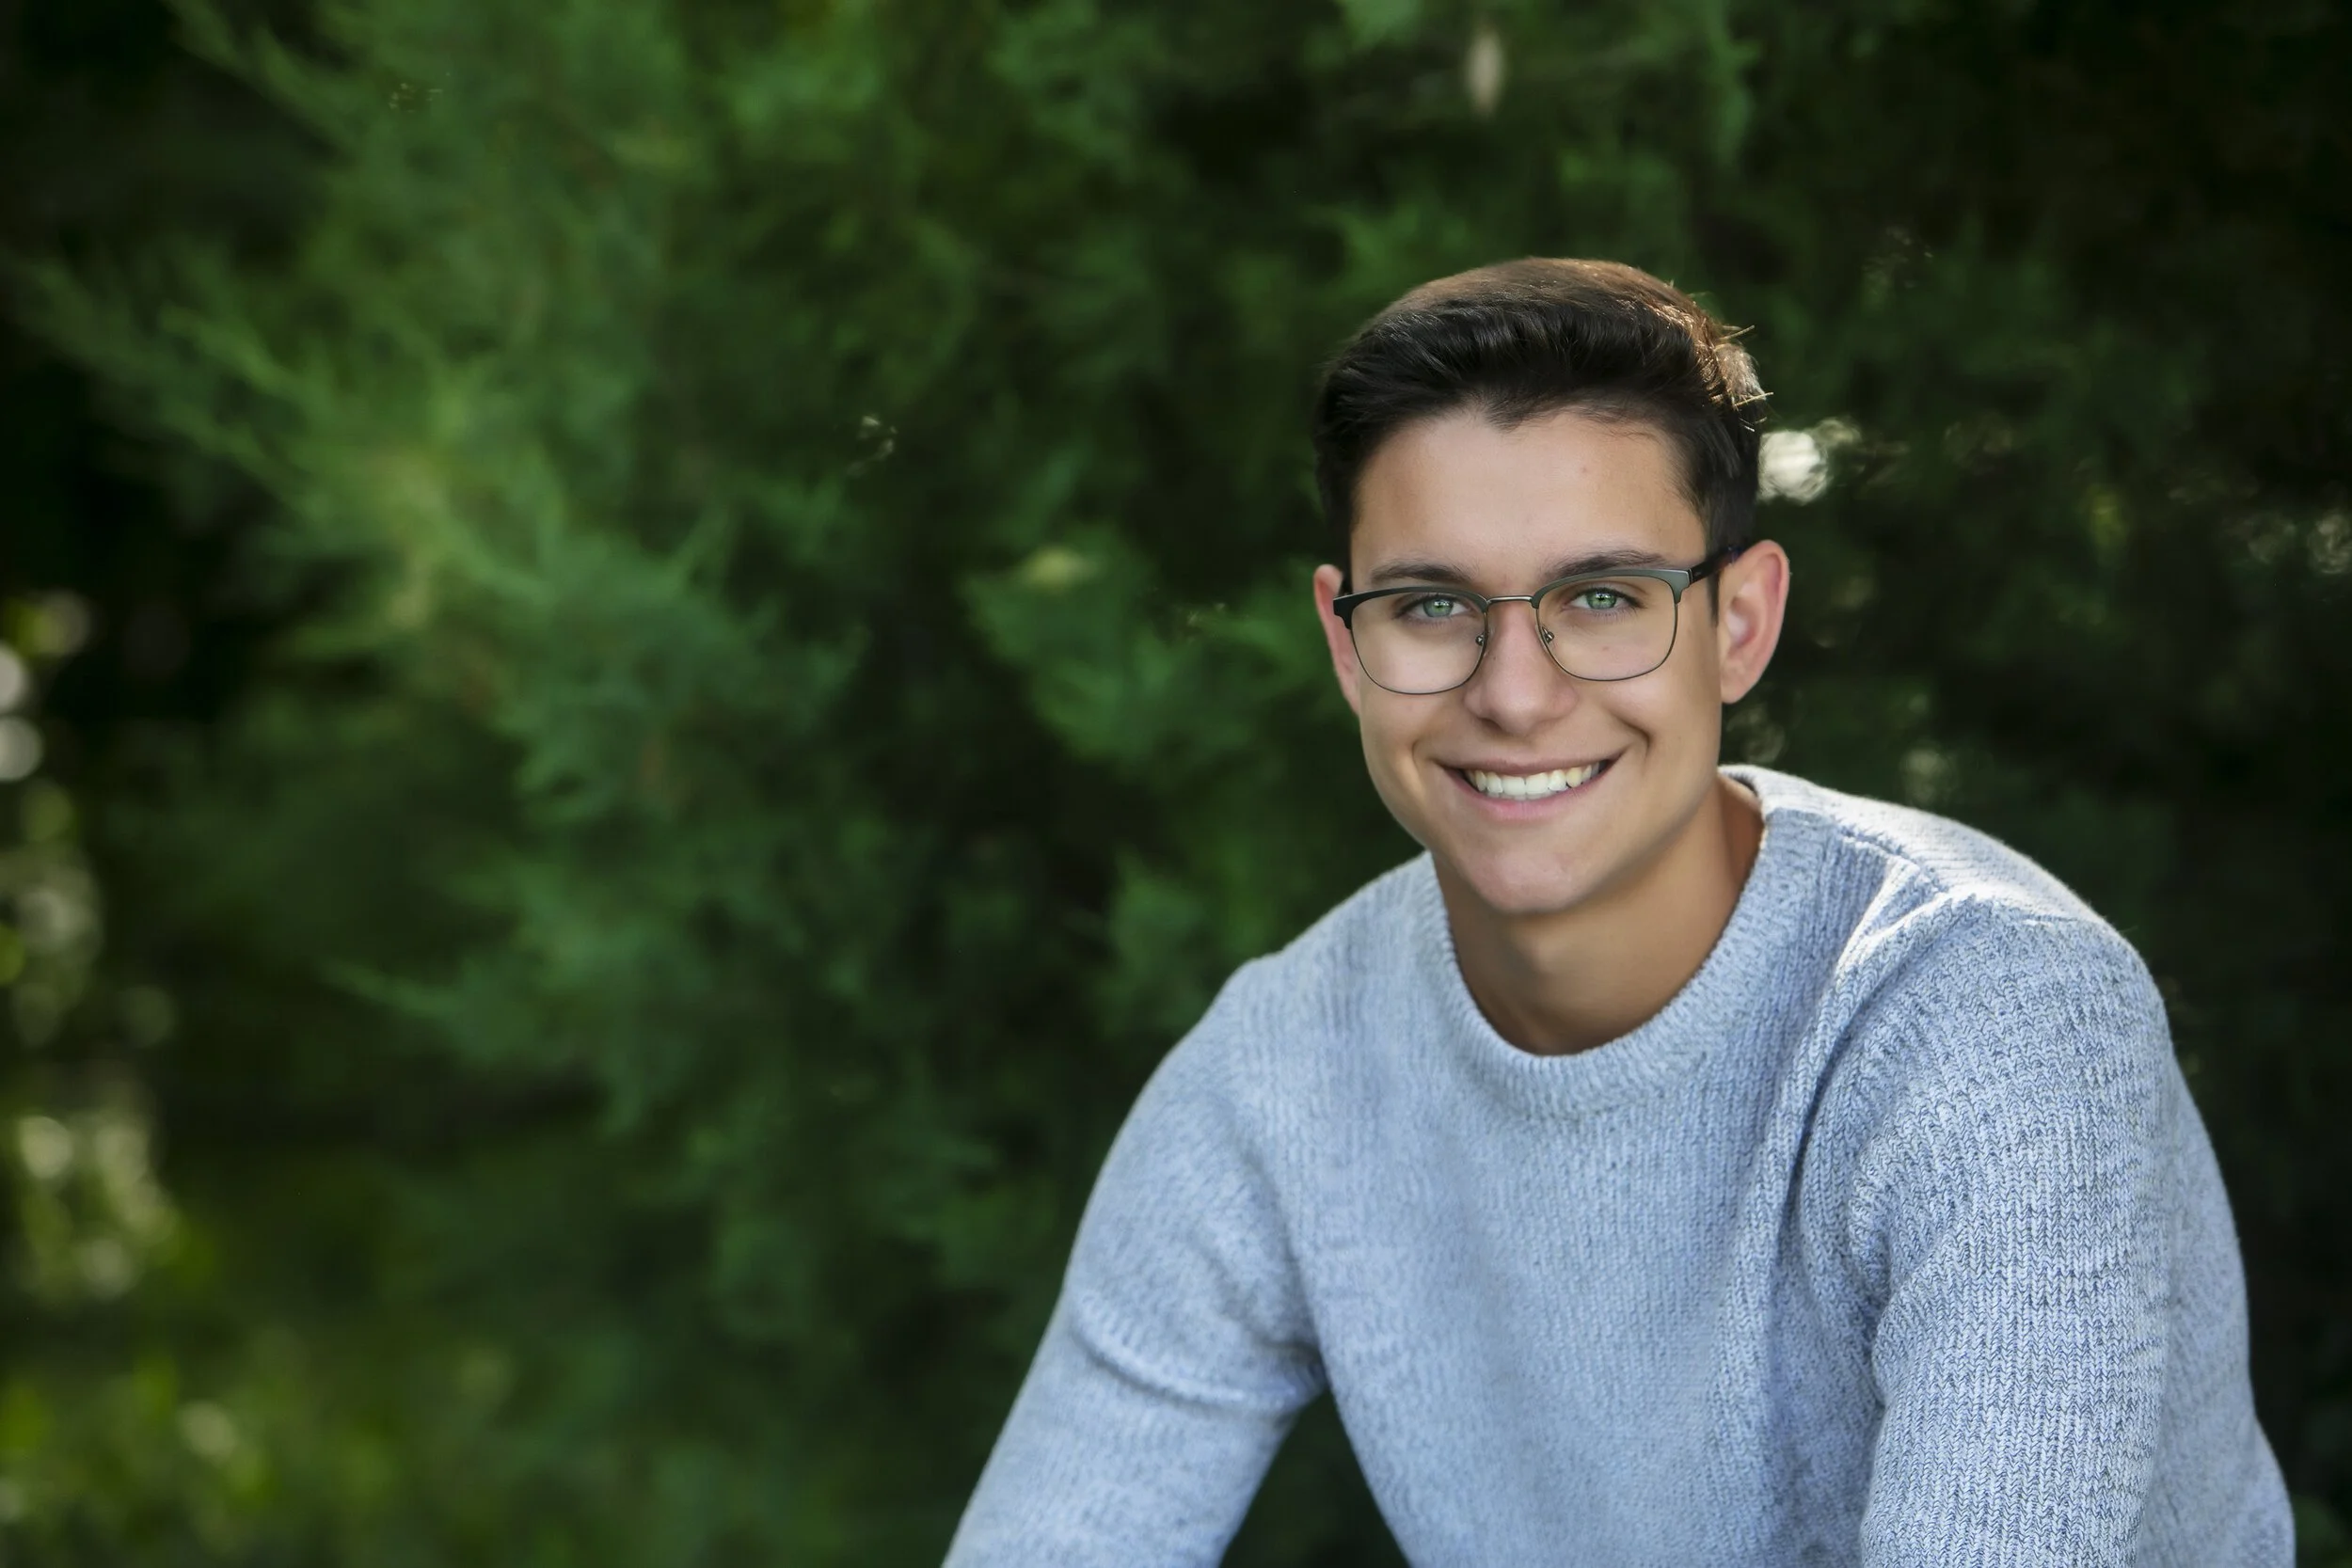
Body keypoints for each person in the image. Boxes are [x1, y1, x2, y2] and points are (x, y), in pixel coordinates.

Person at [945, 259, 2291, 1564]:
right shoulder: (1279, 1074)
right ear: (1348, 642)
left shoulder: (1993, 1016)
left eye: (1602, 598)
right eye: (1430, 605)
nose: (1515, 695)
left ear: (1740, 623)